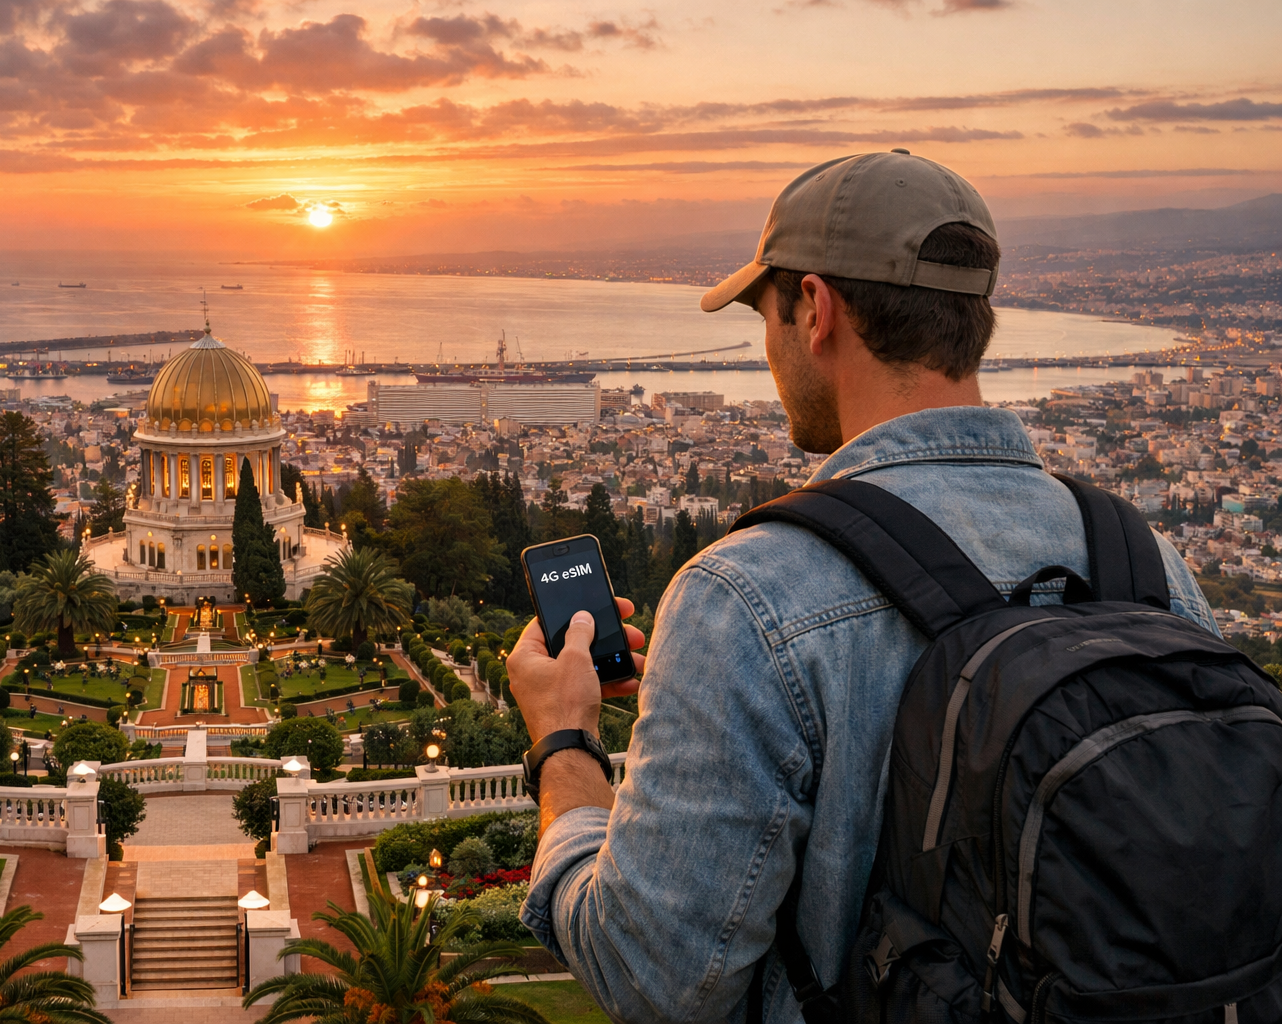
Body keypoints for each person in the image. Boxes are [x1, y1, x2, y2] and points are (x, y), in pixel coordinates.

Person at [506, 151, 1219, 1023]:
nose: (765, 348)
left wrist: (564, 742)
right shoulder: (1146, 565)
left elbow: (654, 979)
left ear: (814, 308)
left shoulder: (748, 596)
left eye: (765, 312)